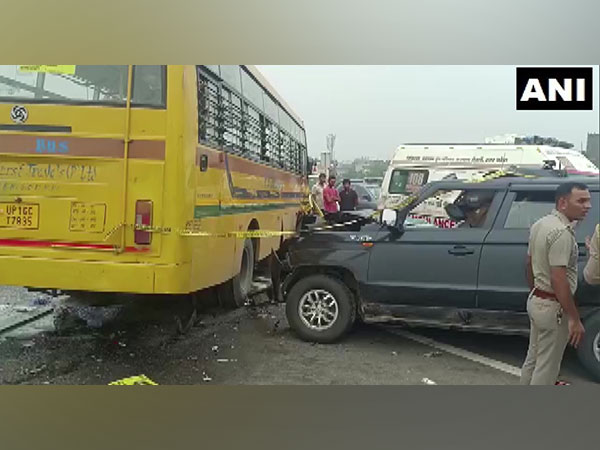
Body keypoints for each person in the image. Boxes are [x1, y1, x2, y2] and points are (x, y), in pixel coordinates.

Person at [520, 182, 592, 385]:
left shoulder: (541, 224)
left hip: (537, 299)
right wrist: (574, 318)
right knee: (547, 368)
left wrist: (535, 291)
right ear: (562, 202)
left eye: (588, 200)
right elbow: (558, 278)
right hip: (553, 307)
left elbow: (529, 263)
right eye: (581, 201)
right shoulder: (561, 233)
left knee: (532, 360)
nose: (588, 206)